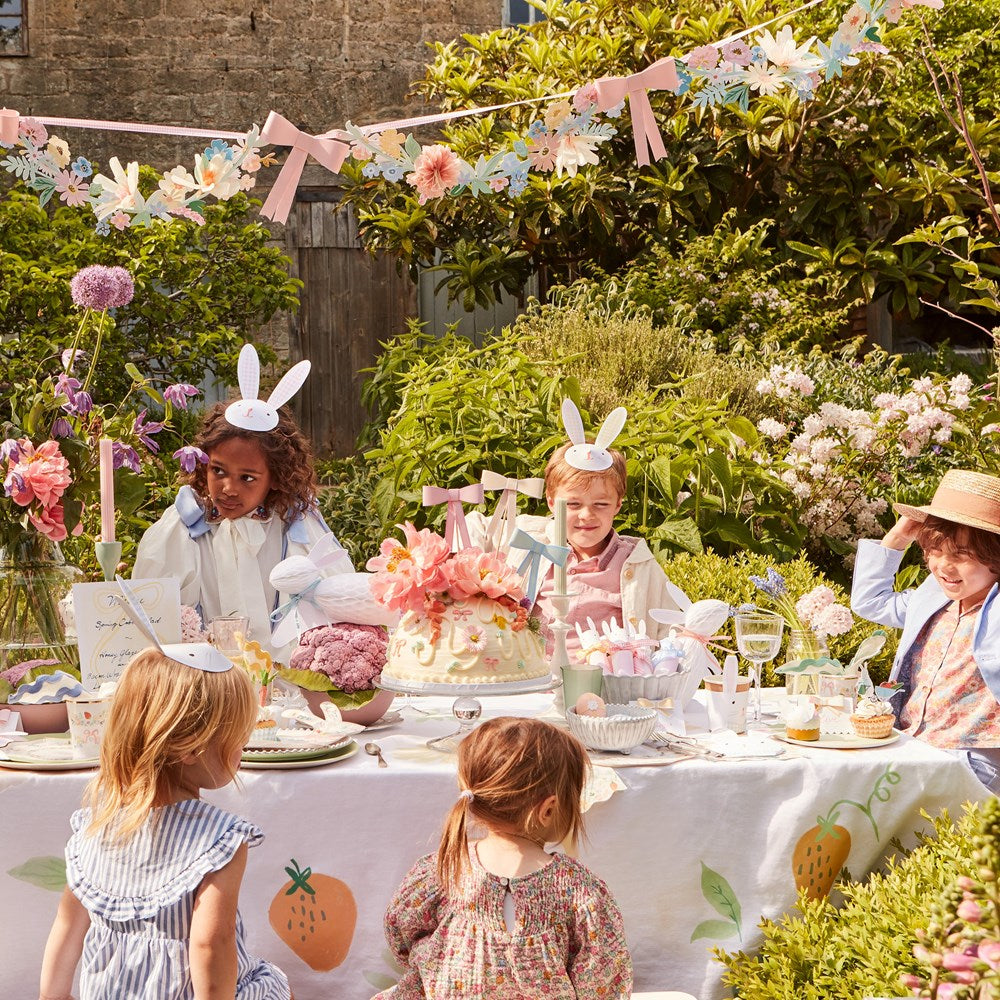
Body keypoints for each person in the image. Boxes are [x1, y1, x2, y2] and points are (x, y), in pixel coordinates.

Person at [38, 646, 290, 1000]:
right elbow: (210, 947)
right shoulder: (219, 840)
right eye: (237, 735)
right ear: (188, 747)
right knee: (274, 986)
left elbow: (67, 927)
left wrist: (54, 997)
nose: (243, 745)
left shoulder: (94, 828)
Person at [373, 717, 633, 1000]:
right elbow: (604, 983)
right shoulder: (580, 893)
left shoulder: (441, 872)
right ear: (548, 809)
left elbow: (399, 936)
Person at [133, 400, 336, 660]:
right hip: (204, 682)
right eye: (218, 471)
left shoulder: (295, 529)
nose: (229, 488)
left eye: (247, 478)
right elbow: (152, 608)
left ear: (275, 477)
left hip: (285, 678)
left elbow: (330, 598)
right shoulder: (184, 527)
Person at [851, 468, 1000, 793]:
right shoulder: (933, 598)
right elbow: (870, 601)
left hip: (974, 758)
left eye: (961, 555)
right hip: (913, 745)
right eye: (934, 551)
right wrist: (898, 538)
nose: (944, 566)